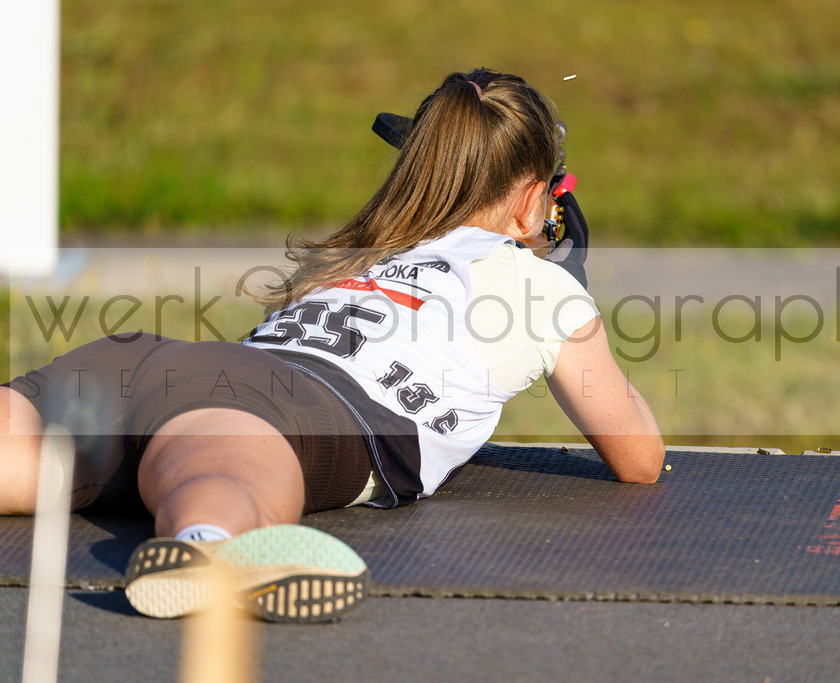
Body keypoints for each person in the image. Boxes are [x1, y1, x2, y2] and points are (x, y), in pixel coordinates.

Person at [0, 68, 665, 623]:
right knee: (219, 476)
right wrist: (572, 290)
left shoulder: (360, 249)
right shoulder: (538, 287)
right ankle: (209, 543)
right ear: (530, 202)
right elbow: (638, 455)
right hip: (290, 407)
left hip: (153, 364)